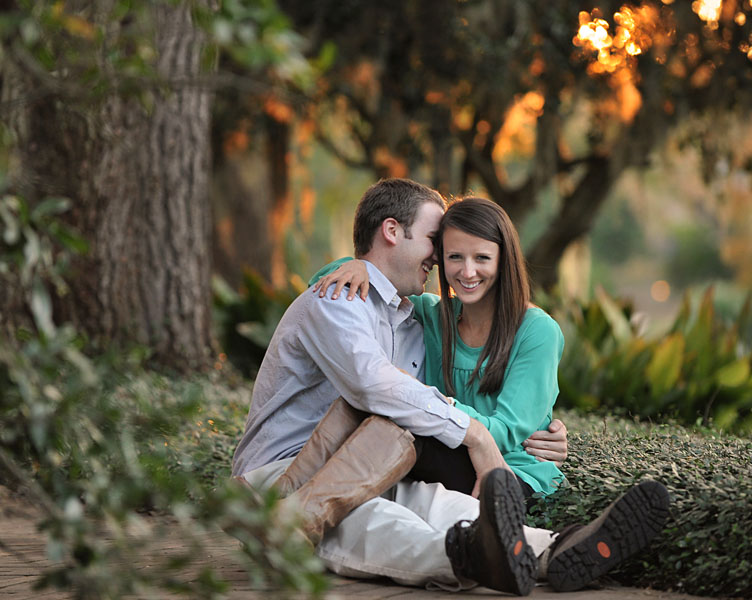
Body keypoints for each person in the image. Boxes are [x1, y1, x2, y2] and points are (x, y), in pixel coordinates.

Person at [231, 179, 669, 594]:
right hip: (285, 473)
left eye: (475, 256)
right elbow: (371, 386)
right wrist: (474, 433)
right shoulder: (341, 298)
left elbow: (487, 413)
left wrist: (525, 434)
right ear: (391, 232)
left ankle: (556, 548)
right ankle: (468, 555)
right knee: (370, 520)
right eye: (438, 246)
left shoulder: (411, 318)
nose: (443, 261)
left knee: (433, 503)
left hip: (370, 462)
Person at [311, 197, 563, 504]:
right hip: (444, 457)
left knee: (399, 425)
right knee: (377, 421)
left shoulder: (536, 331)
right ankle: (297, 508)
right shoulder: (431, 314)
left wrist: (430, 403)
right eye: (455, 257)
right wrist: (360, 267)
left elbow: (506, 431)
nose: (468, 272)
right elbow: (321, 285)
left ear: (503, 259)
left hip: (510, 474)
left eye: (482, 258)